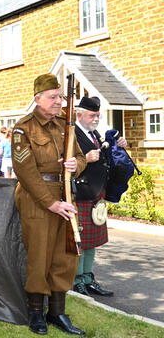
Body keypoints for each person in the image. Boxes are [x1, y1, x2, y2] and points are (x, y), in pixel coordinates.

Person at [12, 73, 87, 336]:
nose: (59, 101)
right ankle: (35, 313)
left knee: (64, 256)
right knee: (39, 256)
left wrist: (76, 164)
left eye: (60, 96)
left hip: (65, 193)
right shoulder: (24, 128)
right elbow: (25, 172)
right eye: (53, 97)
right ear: (37, 99)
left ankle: (56, 312)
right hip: (37, 199)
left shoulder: (64, 125)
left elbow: (80, 156)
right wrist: (51, 203)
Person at [72, 96, 125, 298]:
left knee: (91, 242)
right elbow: (63, 162)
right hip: (81, 194)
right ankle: (76, 281)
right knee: (81, 240)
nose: (96, 118)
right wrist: (85, 159)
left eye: (97, 115)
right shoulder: (72, 134)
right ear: (79, 115)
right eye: (92, 115)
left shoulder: (96, 134)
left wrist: (119, 146)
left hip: (96, 194)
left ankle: (87, 278)